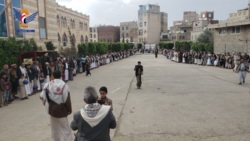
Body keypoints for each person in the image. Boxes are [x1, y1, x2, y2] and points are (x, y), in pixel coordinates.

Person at [40, 70, 73, 141]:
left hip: (52, 111)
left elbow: (41, 96)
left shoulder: (47, 85)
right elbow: (66, 100)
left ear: (53, 76)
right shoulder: (64, 86)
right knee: (65, 130)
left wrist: (47, 105)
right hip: (61, 111)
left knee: (55, 130)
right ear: (61, 75)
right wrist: (69, 110)